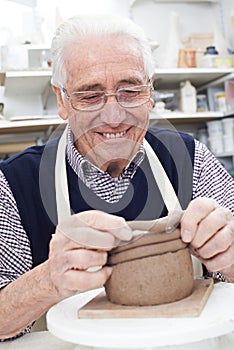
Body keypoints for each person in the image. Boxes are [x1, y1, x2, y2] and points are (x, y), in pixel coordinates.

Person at [0, 14, 234, 341]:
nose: (113, 117)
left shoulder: (192, 158)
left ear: (150, 91)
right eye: (90, 95)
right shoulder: (14, 183)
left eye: (130, 91)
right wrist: (48, 281)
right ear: (62, 100)